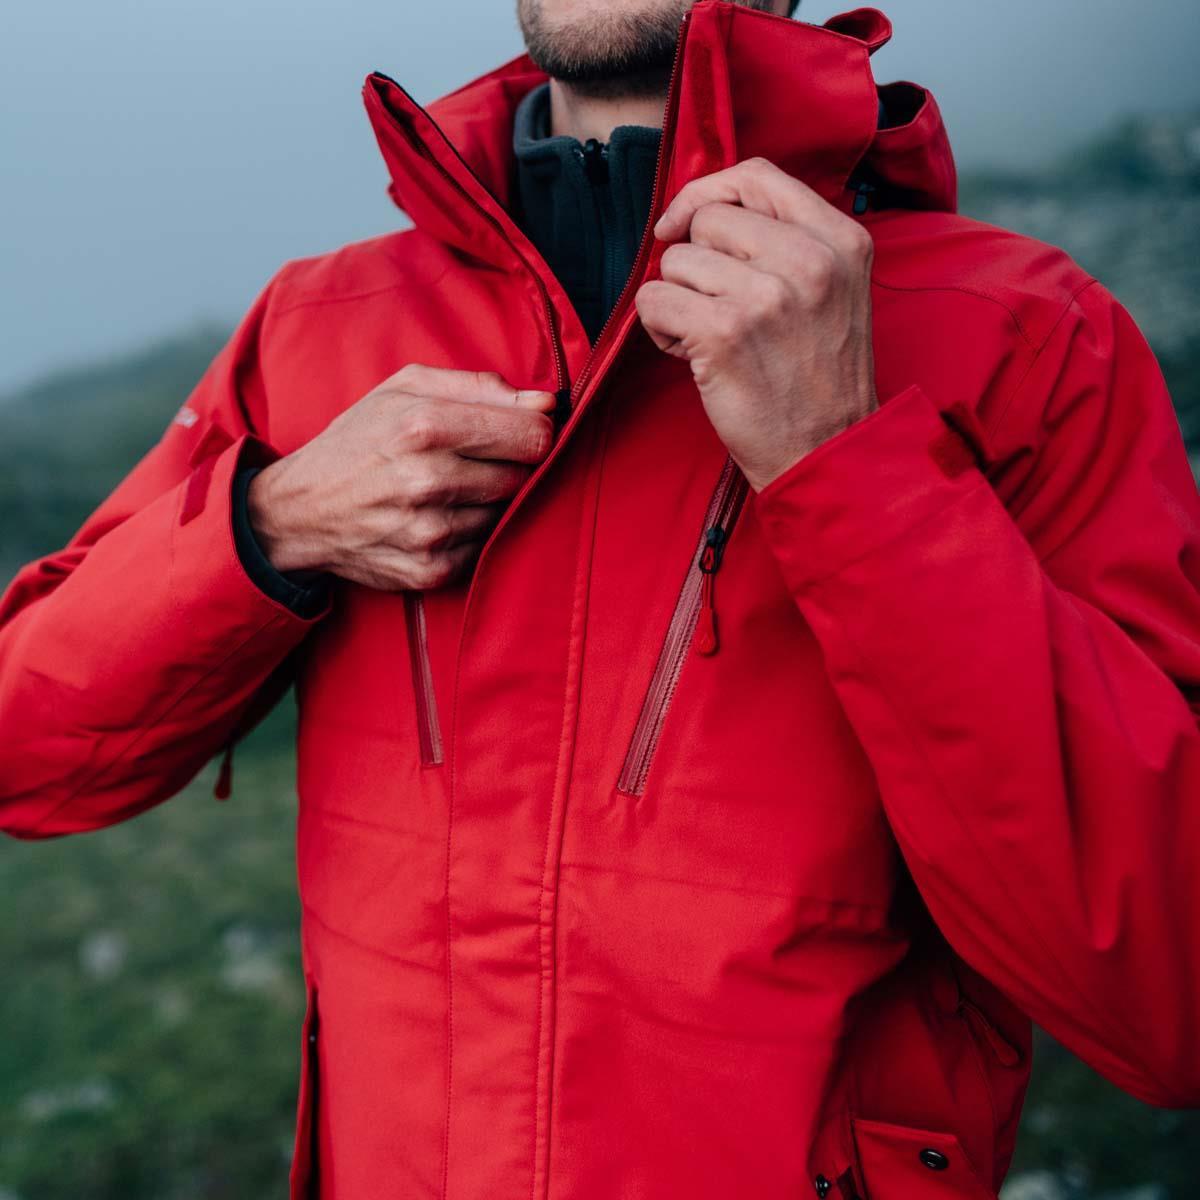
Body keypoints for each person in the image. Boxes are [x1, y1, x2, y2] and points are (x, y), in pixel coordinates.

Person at [2, 0, 1198, 1195]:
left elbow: (1168, 994)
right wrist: (268, 529)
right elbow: (27, 752)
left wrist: (845, 461)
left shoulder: (1034, 335)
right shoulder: (318, 326)